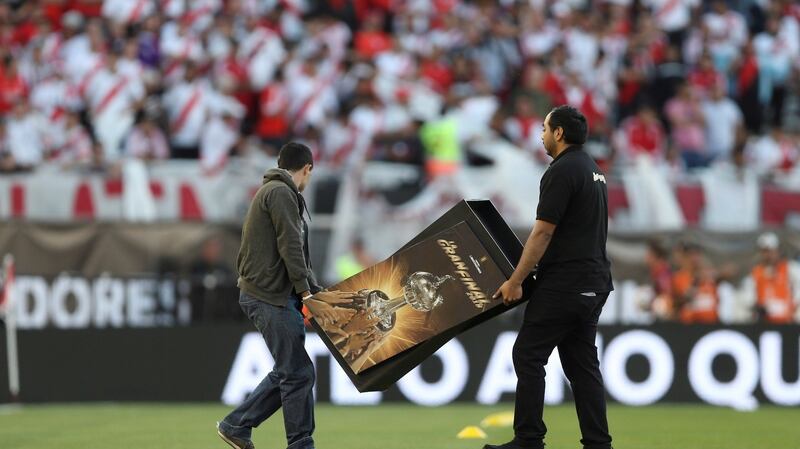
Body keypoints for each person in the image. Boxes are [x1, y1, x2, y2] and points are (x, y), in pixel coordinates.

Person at [491, 105, 614, 449]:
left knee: (527, 354)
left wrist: (515, 280)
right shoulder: (593, 170)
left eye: (545, 128)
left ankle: (529, 439)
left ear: (559, 133)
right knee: (582, 367)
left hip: (566, 283)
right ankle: (598, 444)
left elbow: (543, 232)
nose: (541, 134)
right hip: (594, 283)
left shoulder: (561, 171)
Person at [217, 142, 339, 449]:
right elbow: (290, 246)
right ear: (307, 168)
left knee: (291, 370)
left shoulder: (274, 191)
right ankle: (299, 444)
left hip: (269, 293)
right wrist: (307, 292)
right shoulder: (282, 193)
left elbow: (293, 251)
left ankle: (237, 425)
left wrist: (312, 290)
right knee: (298, 373)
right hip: (269, 296)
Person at [742, 232, 800, 324]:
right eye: (765, 251)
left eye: (772, 250)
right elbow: (748, 299)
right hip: (764, 322)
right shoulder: (755, 273)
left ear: (778, 250)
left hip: (788, 322)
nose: (769, 255)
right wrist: (757, 307)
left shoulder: (790, 269)